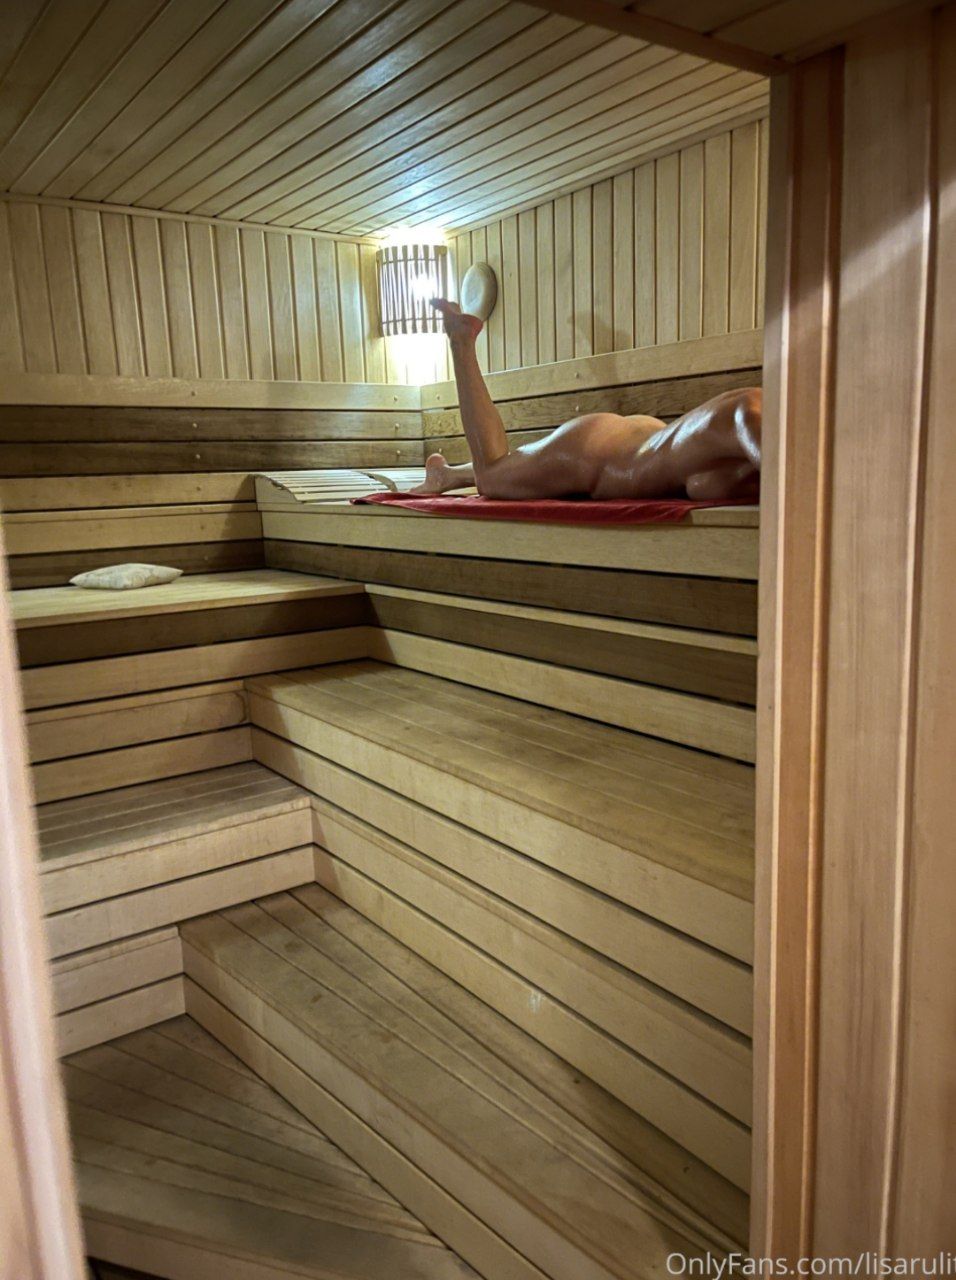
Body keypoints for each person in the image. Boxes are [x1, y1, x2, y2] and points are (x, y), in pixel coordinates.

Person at [412, 299, 761, 502]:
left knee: (509, 470)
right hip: (591, 453)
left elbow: (704, 484)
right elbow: (785, 483)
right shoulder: (750, 410)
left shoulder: (755, 421)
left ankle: (447, 475)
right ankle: (461, 341)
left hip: (634, 443)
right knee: (491, 478)